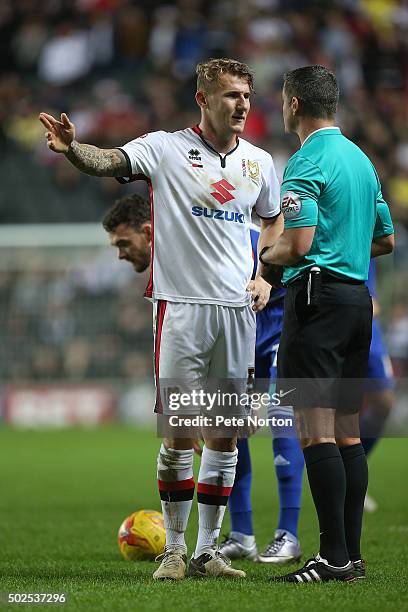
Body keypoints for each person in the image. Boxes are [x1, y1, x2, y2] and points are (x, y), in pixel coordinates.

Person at [40, 58, 283, 580]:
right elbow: (108, 161)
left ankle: (207, 552)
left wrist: (264, 272)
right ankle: (173, 549)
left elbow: (273, 217)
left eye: (246, 95)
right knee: (179, 435)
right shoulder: (166, 148)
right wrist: (73, 150)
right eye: (231, 96)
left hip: (239, 313)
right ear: (203, 99)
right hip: (182, 310)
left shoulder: (260, 162)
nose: (242, 105)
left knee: (224, 438)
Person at [260, 65, 394, 583]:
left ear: (293, 104)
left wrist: (267, 259)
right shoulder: (361, 160)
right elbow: (385, 239)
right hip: (357, 301)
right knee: (346, 433)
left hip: (315, 299)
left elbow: (298, 244)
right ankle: (351, 556)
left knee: (314, 433)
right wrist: (344, 245)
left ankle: (332, 557)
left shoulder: (304, 161)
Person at [219, 223, 304, 563]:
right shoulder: (210, 236)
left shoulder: (261, 235)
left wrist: (258, 397)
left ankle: (289, 535)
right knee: (229, 427)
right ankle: (242, 535)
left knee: (282, 420)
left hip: (284, 334)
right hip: (242, 341)